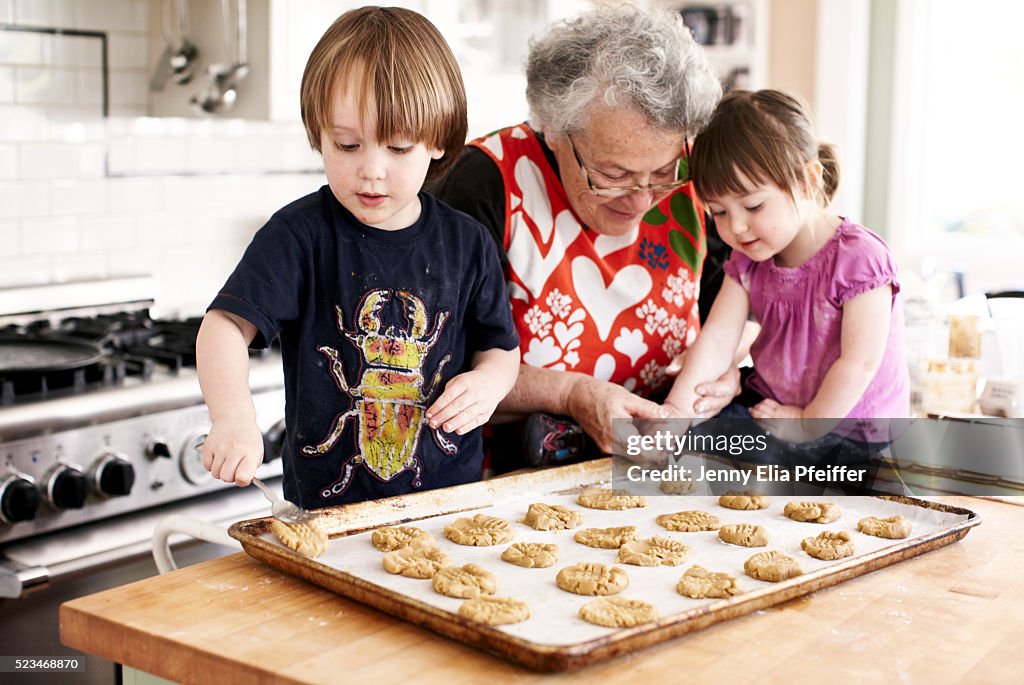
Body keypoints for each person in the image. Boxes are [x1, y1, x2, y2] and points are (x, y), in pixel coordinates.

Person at [196, 7, 520, 509]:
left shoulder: (469, 243)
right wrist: (233, 418)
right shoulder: (297, 236)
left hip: (448, 507)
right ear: (318, 135)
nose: (371, 170)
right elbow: (223, 327)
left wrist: (489, 383)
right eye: (346, 145)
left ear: (436, 140)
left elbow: (499, 348)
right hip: (326, 513)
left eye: (396, 147)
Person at [433, 4, 740, 465]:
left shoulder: (697, 175)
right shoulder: (484, 183)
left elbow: (737, 307)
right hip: (513, 474)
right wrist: (573, 393)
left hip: (662, 462)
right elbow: (441, 359)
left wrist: (728, 370)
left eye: (661, 172)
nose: (641, 199)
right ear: (553, 128)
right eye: (613, 174)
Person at [665, 89, 909, 457]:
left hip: (853, 428)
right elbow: (717, 338)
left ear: (808, 181)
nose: (737, 228)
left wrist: (807, 422)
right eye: (719, 212)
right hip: (777, 411)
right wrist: (674, 414)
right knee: (698, 443)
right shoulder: (748, 260)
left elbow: (858, 364)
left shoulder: (860, 259)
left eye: (753, 205)